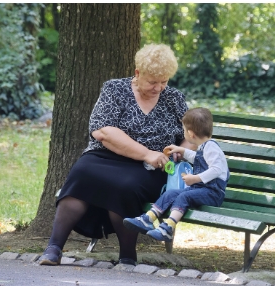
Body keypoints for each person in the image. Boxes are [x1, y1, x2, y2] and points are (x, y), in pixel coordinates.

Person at [38, 43, 192, 266]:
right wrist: (146, 153)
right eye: (152, 81)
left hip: (150, 168)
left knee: (125, 185)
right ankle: (53, 248)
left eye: (164, 81)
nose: (159, 87)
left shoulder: (174, 99)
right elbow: (103, 131)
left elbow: (189, 134)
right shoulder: (115, 89)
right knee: (82, 172)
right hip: (106, 156)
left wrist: (182, 149)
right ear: (138, 73)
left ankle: (128, 255)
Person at [123, 107, 230, 242]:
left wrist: (195, 178)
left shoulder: (211, 147)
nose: (183, 132)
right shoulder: (205, 147)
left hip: (213, 193)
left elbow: (217, 169)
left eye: (184, 130)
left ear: (190, 134)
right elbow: (197, 158)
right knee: (171, 193)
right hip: (201, 190)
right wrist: (182, 150)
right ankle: (147, 219)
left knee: (184, 196)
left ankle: (168, 228)